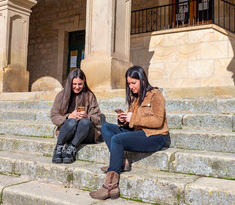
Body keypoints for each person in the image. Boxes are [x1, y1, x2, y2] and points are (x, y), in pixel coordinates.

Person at [89, 65, 169, 200]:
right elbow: (132, 123)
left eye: (133, 83)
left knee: (117, 139)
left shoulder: (156, 95)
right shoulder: (134, 98)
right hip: (138, 132)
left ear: (142, 80)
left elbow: (158, 121)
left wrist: (133, 117)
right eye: (129, 84)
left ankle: (110, 186)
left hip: (155, 136)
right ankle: (121, 161)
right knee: (106, 128)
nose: (131, 86)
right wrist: (123, 120)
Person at [50, 68, 101, 164]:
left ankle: (71, 148)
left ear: (84, 82)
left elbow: (98, 118)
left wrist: (88, 117)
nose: (77, 87)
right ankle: (59, 147)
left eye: (80, 84)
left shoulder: (89, 96)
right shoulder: (61, 95)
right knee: (71, 122)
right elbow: (54, 116)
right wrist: (68, 117)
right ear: (70, 83)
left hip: (86, 133)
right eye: (74, 84)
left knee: (85, 122)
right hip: (67, 131)